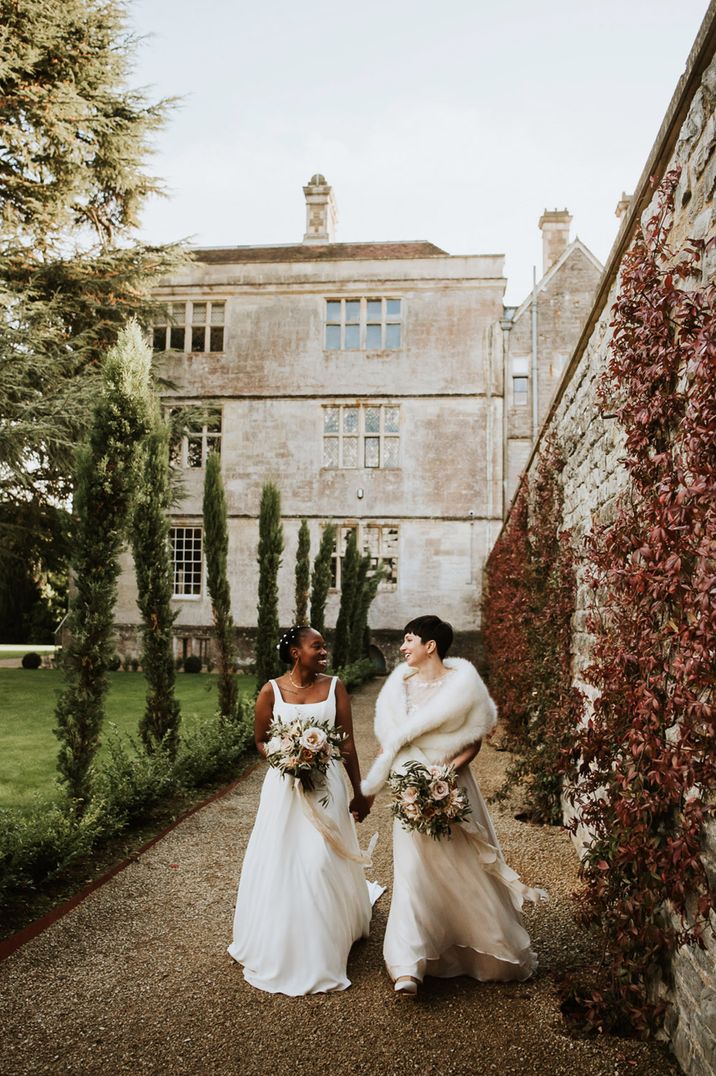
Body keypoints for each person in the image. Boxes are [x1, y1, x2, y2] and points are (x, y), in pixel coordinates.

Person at [361, 614, 547, 997]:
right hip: (410, 789)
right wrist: (404, 771)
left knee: (462, 866)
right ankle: (409, 964)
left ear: (430, 646)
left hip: (453, 786)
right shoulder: (399, 687)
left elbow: (474, 739)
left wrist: (445, 774)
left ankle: (481, 947)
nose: (402, 647)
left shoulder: (463, 686)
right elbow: (389, 741)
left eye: (409, 639)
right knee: (412, 870)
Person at [228, 625, 383, 995]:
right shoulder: (271, 690)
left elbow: (346, 745)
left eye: (325, 646)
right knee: (283, 859)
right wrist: (285, 757)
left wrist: (360, 791)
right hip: (285, 790)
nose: (323, 651)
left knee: (320, 861)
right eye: (317, 646)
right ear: (296, 652)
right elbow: (261, 740)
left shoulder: (334, 687)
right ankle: (284, 939)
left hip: (326, 787)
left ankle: (325, 943)